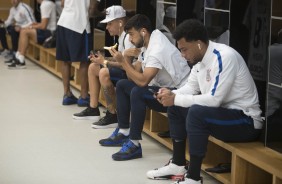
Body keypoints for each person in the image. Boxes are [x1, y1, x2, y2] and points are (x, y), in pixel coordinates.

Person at [147, 19, 263, 184]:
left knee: (196, 112)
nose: (182, 54)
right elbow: (190, 88)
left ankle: (193, 178)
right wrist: (170, 94)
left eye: (184, 49)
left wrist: (176, 98)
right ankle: (178, 164)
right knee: (176, 106)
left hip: (246, 121)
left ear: (199, 44)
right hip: (223, 116)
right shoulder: (198, 61)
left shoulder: (224, 57)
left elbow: (214, 100)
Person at [99, 14, 190, 161]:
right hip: (162, 88)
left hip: (176, 94)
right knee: (123, 85)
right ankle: (123, 132)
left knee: (138, 92)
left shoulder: (157, 48)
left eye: (131, 35)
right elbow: (132, 75)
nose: (129, 39)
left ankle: (134, 144)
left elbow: (142, 82)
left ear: (143, 31)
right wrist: (126, 57)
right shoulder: (148, 43)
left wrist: (123, 62)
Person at [72, 5, 135, 128]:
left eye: (110, 24)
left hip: (133, 75)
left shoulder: (128, 37)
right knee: (93, 67)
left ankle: (113, 115)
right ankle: (93, 108)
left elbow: (125, 66)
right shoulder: (121, 36)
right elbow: (120, 59)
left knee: (103, 72)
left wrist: (104, 62)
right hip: (126, 71)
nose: (107, 27)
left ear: (120, 22)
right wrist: (102, 59)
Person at [56, 0, 99, 106]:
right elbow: (92, 10)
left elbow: (62, 3)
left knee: (66, 60)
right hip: (80, 25)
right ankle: (84, 96)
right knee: (85, 60)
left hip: (63, 22)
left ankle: (67, 95)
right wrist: (102, 13)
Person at [7, 0, 56, 69]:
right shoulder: (47, 3)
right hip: (48, 31)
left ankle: (21, 61)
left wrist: (31, 26)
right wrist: (35, 25)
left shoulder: (45, 5)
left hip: (51, 34)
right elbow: (44, 24)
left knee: (24, 32)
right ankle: (18, 57)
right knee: (23, 30)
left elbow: (43, 26)